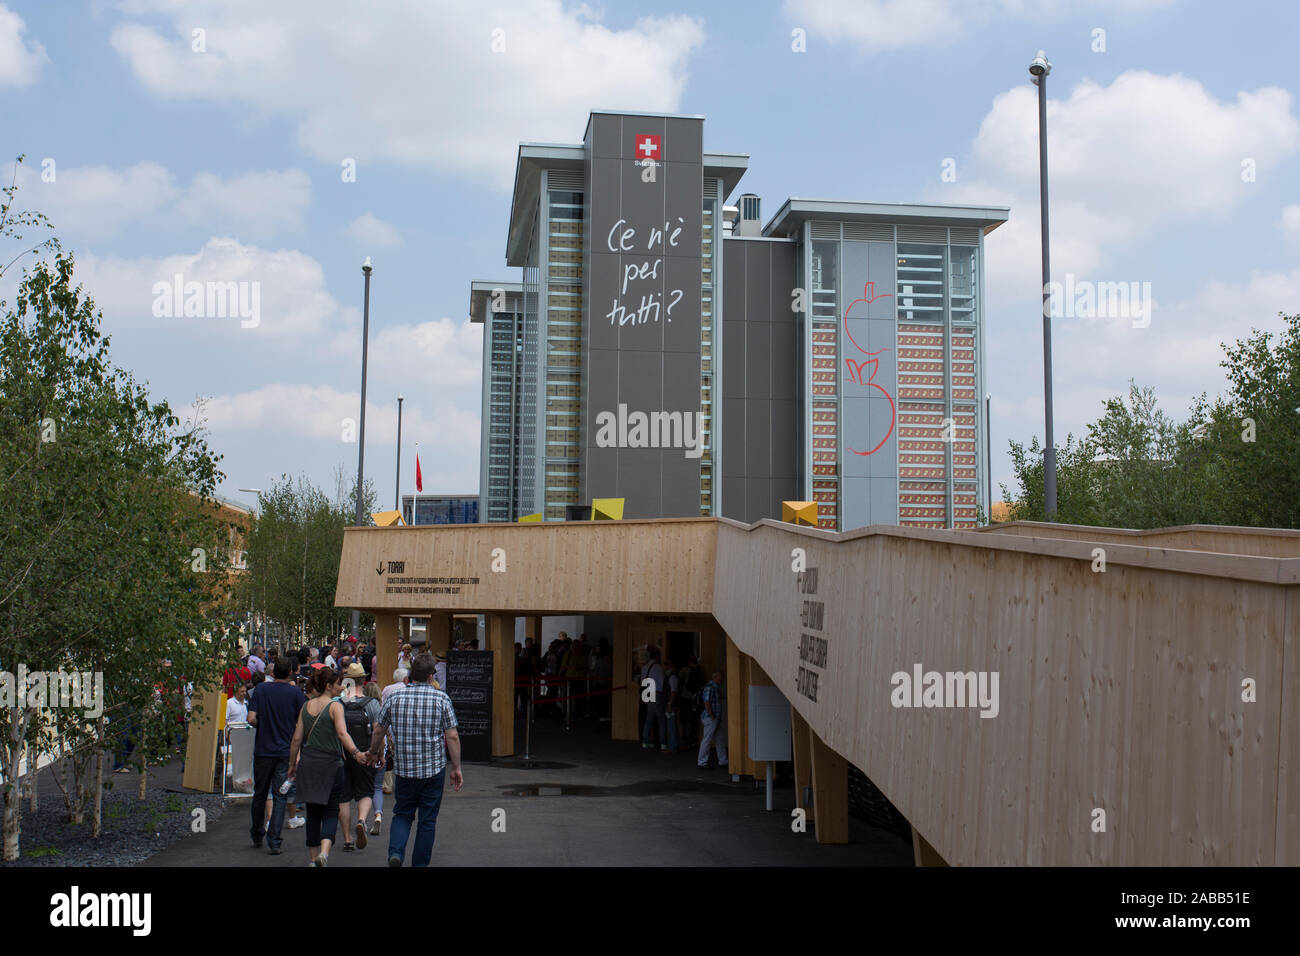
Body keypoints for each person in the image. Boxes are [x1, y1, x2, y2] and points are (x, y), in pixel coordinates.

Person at [367, 653, 462, 867]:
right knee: (427, 820)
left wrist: (373, 752)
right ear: (431, 676)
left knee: (402, 813)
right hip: (433, 770)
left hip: (404, 769)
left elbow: (379, 729)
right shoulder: (441, 699)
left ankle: (396, 853)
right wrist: (456, 767)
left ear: (411, 675)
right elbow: (452, 736)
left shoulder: (395, 698)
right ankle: (419, 864)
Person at [287, 667, 370, 867]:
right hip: (331, 764)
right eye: (339, 684)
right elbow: (342, 734)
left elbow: (296, 739)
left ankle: (313, 858)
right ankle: (325, 852)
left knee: (313, 812)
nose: (342, 687)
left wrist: (292, 764)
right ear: (328, 686)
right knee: (331, 810)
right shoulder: (335, 707)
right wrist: (356, 753)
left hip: (308, 763)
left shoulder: (306, 706)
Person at [247, 656, 307, 855]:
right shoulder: (296, 693)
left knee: (260, 793)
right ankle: (275, 840)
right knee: (281, 795)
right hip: (285, 750)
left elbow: (251, 718)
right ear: (290, 671)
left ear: (273, 672)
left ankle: (257, 832)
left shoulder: (262, 690)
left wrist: (261, 725)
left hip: (263, 748)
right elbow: (301, 722)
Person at [337, 663, 381, 851]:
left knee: (344, 797)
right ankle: (362, 820)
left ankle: (347, 838)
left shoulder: (338, 703)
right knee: (365, 792)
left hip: (342, 754)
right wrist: (377, 753)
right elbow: (379, 730)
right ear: (364, 680)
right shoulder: (372, 704)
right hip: (365, 753)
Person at [363, 681, 387, 835]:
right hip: (377, 752)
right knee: (377, 787)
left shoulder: (359, 706)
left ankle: (362, 819)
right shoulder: (380, 708)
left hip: (363, 752)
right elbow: (380, 734)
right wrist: (381, 753)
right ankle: (378, 814)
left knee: (364, 789)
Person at [697, 671, 727, 769]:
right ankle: (701, 762)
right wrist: (712, 716)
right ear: (715, 677)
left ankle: (723, 761)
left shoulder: (714, 687)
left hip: (714, 718)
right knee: (708, 739)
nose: (722, 679)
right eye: (720, 677)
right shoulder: (710, 688)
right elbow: (706, 702)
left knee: (719, 739)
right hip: (711, 718)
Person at [640, 647, 668, 751]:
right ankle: (663, 743)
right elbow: (663, 682)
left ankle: (645, 741)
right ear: (657, 656)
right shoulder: (659, 668)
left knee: (648, 719)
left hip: (647, 693)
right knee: (661, 720)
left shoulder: (644, 667)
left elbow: (642, 681)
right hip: (656, 694)